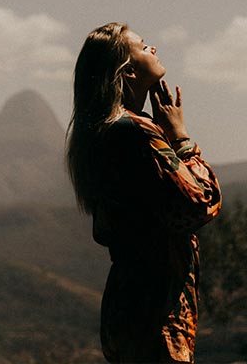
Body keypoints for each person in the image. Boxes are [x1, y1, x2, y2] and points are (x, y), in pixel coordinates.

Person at [66, 22, 221, 363]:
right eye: (143, 46)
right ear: (129, 71)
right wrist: (180, 138)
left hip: (129, 308)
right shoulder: (134, 133)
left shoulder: (105, 134)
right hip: (155, 312)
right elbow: (201, 203)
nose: (153, 48)